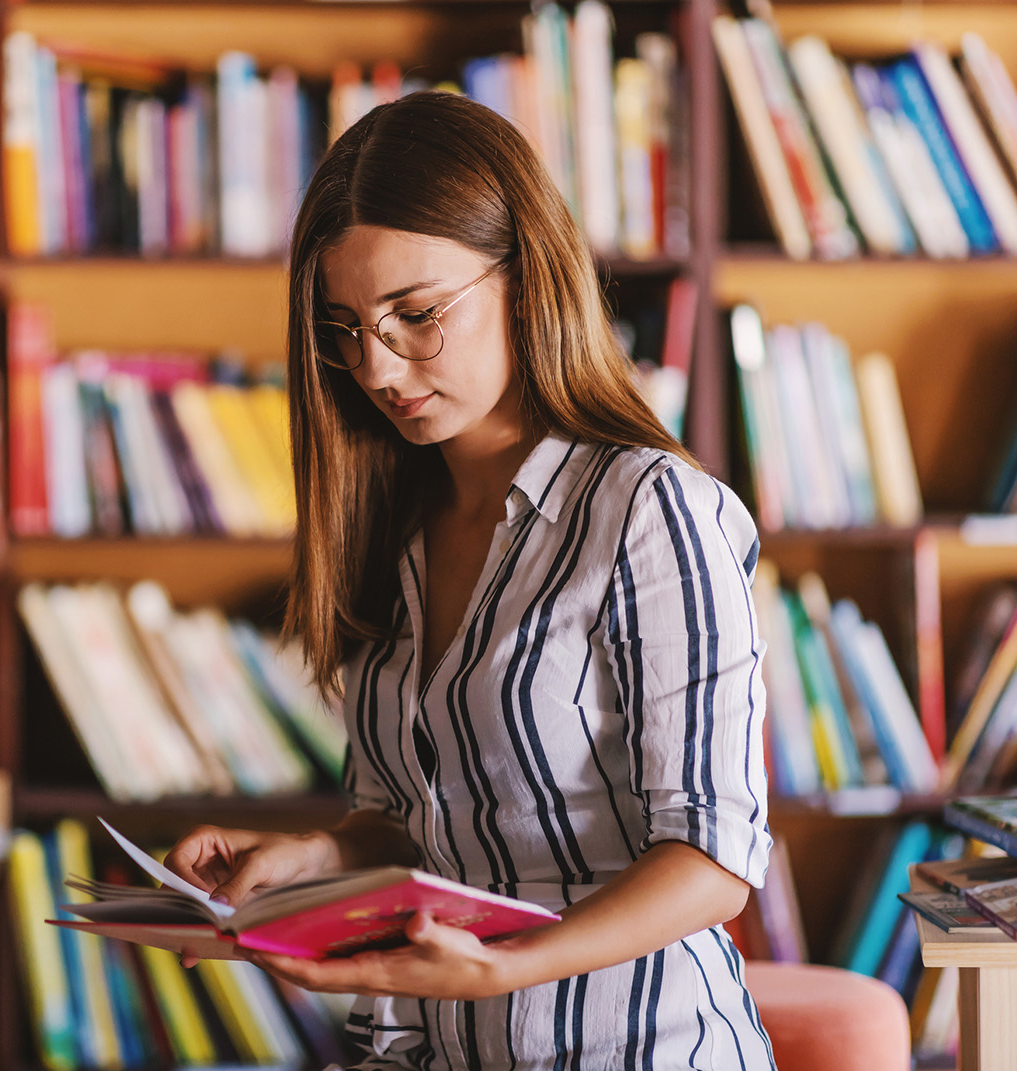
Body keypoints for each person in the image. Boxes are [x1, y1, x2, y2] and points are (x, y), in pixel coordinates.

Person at [166, 90, 775, 1071]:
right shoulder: (389, 523)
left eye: (416, 315)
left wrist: (506, 969)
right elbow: (423, 825)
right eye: (345, 328)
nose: (377, 368)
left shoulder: (649, 509)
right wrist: (317, 856)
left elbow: (713, 859)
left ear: (526, 282)